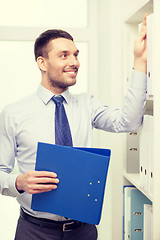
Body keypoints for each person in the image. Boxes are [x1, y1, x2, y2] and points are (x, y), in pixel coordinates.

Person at [0, 14, 147, 240]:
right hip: (34, 231)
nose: (74, 62)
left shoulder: (87, 105)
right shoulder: (13, 113)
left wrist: (139, 61)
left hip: (83, 231)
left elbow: (129, 121)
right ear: (42, 63)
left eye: (76, 55)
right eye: (64, 55)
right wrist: (18, 182)